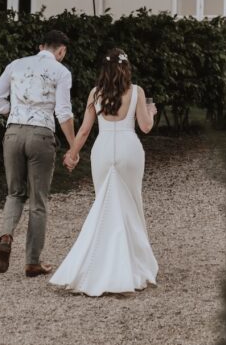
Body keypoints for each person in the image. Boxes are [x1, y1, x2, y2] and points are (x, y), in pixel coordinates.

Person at [49, 48, 159, 296]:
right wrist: (151, 113)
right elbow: (145, 127)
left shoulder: (95, 93)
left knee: (104, 204)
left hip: (103, 150)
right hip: (129, 150)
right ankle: (134, 264)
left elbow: (85, 130)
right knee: (132, 203)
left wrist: (72, 153)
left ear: (104, 69)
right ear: (126, 68)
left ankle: (100, 265)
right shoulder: (137, 91)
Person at [0, 30, 76, 277]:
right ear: (61, 51)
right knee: (38, 200)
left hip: (13, 133)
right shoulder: (61, 71)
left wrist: (13, 112)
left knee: (15, 193)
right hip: (41, 134)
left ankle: (6, 237)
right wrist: (73, 146)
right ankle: (32, 262)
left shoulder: (15, 65)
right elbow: (63, 112)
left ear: (40, 47)